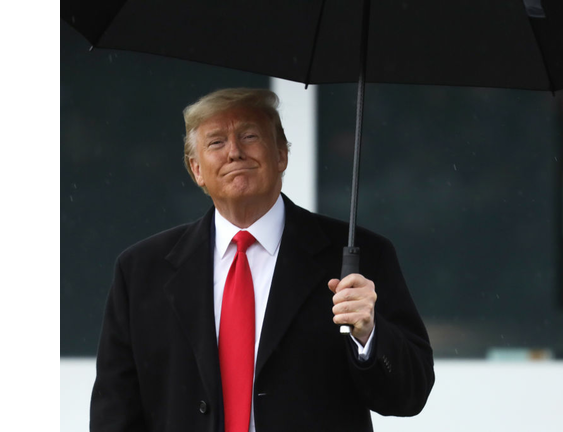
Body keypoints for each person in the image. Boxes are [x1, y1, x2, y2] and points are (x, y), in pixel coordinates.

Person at [90, 88, 434, 432]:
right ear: (196, 170)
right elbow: (114, 412)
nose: (235, 152)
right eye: (216, 142)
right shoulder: (140, 271)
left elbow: (410, 395)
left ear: (281, 154)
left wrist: (370, 335)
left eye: (249, 136)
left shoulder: (360, 256)